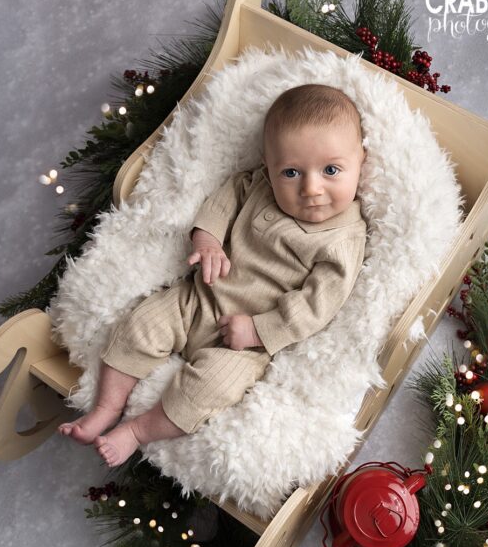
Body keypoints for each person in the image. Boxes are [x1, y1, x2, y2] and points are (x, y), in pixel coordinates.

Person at [58, 82, 369, 467]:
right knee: (140, 324)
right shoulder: (257, 185)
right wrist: (207, 241)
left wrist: (258, 330)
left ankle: (137, 430)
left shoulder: (344, 238)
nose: (311, 187)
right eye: (291, 171)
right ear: (269, 166)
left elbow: (317, 306)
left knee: (211, 388)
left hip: (242, 342)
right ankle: (106, 408)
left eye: (332, 170)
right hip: (198, 297)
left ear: (361, 161)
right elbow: (225, 200)